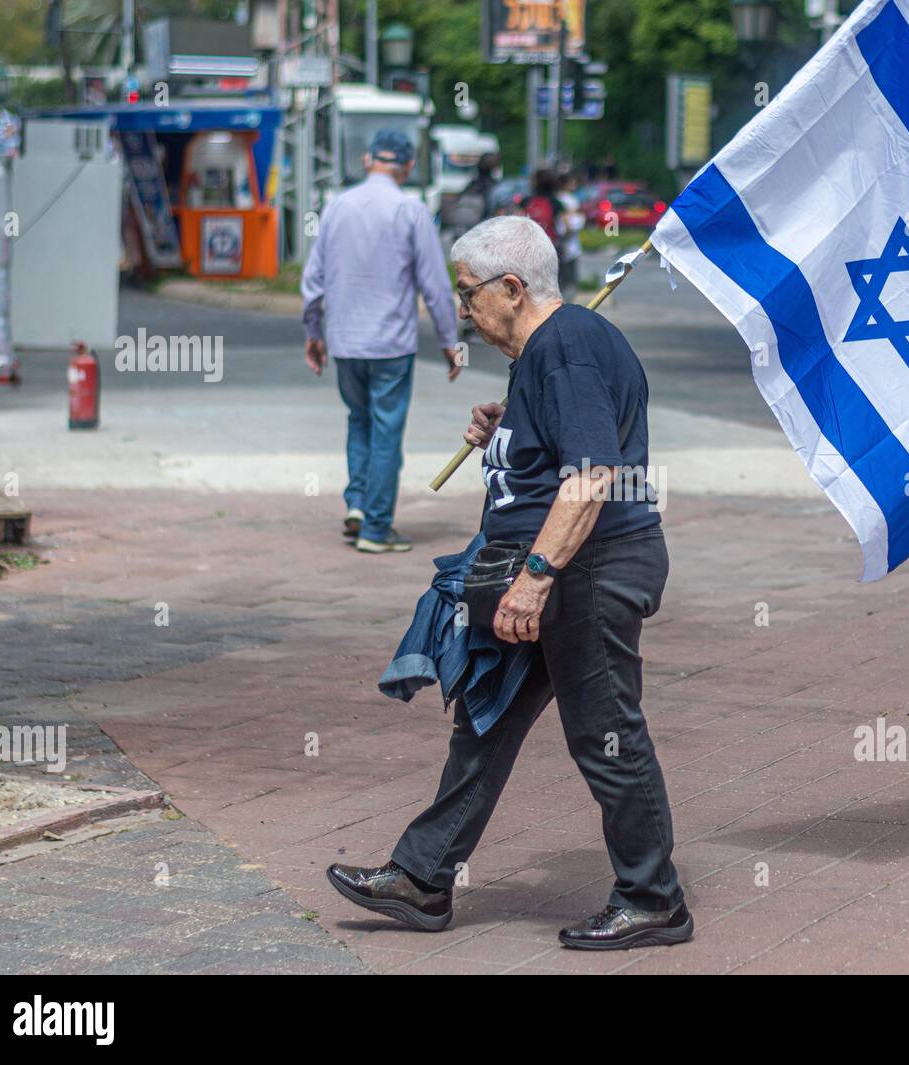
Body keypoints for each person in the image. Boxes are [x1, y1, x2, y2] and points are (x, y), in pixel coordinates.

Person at [326, 216, 692, 950]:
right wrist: (510, 429)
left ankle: (655, 898)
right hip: (561, 572)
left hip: (585, 571)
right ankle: (424, 877)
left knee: (607, 734)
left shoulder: (568, 347)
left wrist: (534, 578)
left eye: (467, 294)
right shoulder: (549, 354)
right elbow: (568, 444)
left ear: (513, 287)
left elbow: (592, 475)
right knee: (486, 720)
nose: (462, 308)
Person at [301, 129, 461, 553]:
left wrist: (312, 332)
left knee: (359, 420)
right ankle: (375, 527)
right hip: (391, 342)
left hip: (345, 341)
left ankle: (357, 503)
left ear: (369, 159)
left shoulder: (337, 206)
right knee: (387, 430)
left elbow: (313, 279)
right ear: (407, 167)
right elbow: (435, 286)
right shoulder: (411, 210)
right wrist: (450, 340)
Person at [556, 171, 585, 301]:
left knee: (559, 280)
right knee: (570, 282)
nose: (574, 184)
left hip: (556, 244)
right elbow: (576, 223)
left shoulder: (556, 198)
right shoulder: (570, 200)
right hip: (570, 245)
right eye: (572, 181)